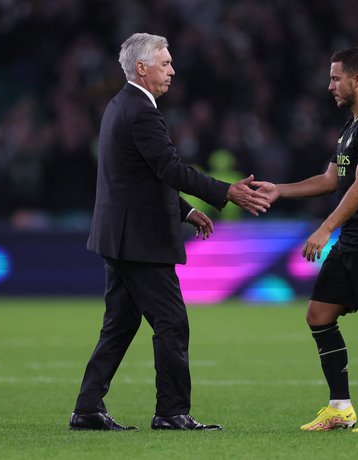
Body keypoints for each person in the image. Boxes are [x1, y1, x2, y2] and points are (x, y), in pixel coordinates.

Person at [69, 33, 270, 432]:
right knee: (172, 322)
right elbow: (170, 169)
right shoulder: (141, 112)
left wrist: (186, 210)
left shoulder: (118, 106)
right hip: (140, 240)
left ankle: (88, 408)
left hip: (120, 235)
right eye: (165, 63)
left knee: (121, 324)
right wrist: (225, 191)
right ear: (141, 68)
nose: (172, 70)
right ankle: (171, 412)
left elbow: (138, 177)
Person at [252, 47, 358, 433]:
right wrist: (280, 191)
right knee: (319, 315)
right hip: (355, 239)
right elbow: (330, 181)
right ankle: (340, 408)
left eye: (336, 78)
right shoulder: (352, 127)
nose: (330, 86)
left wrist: (324, 229)